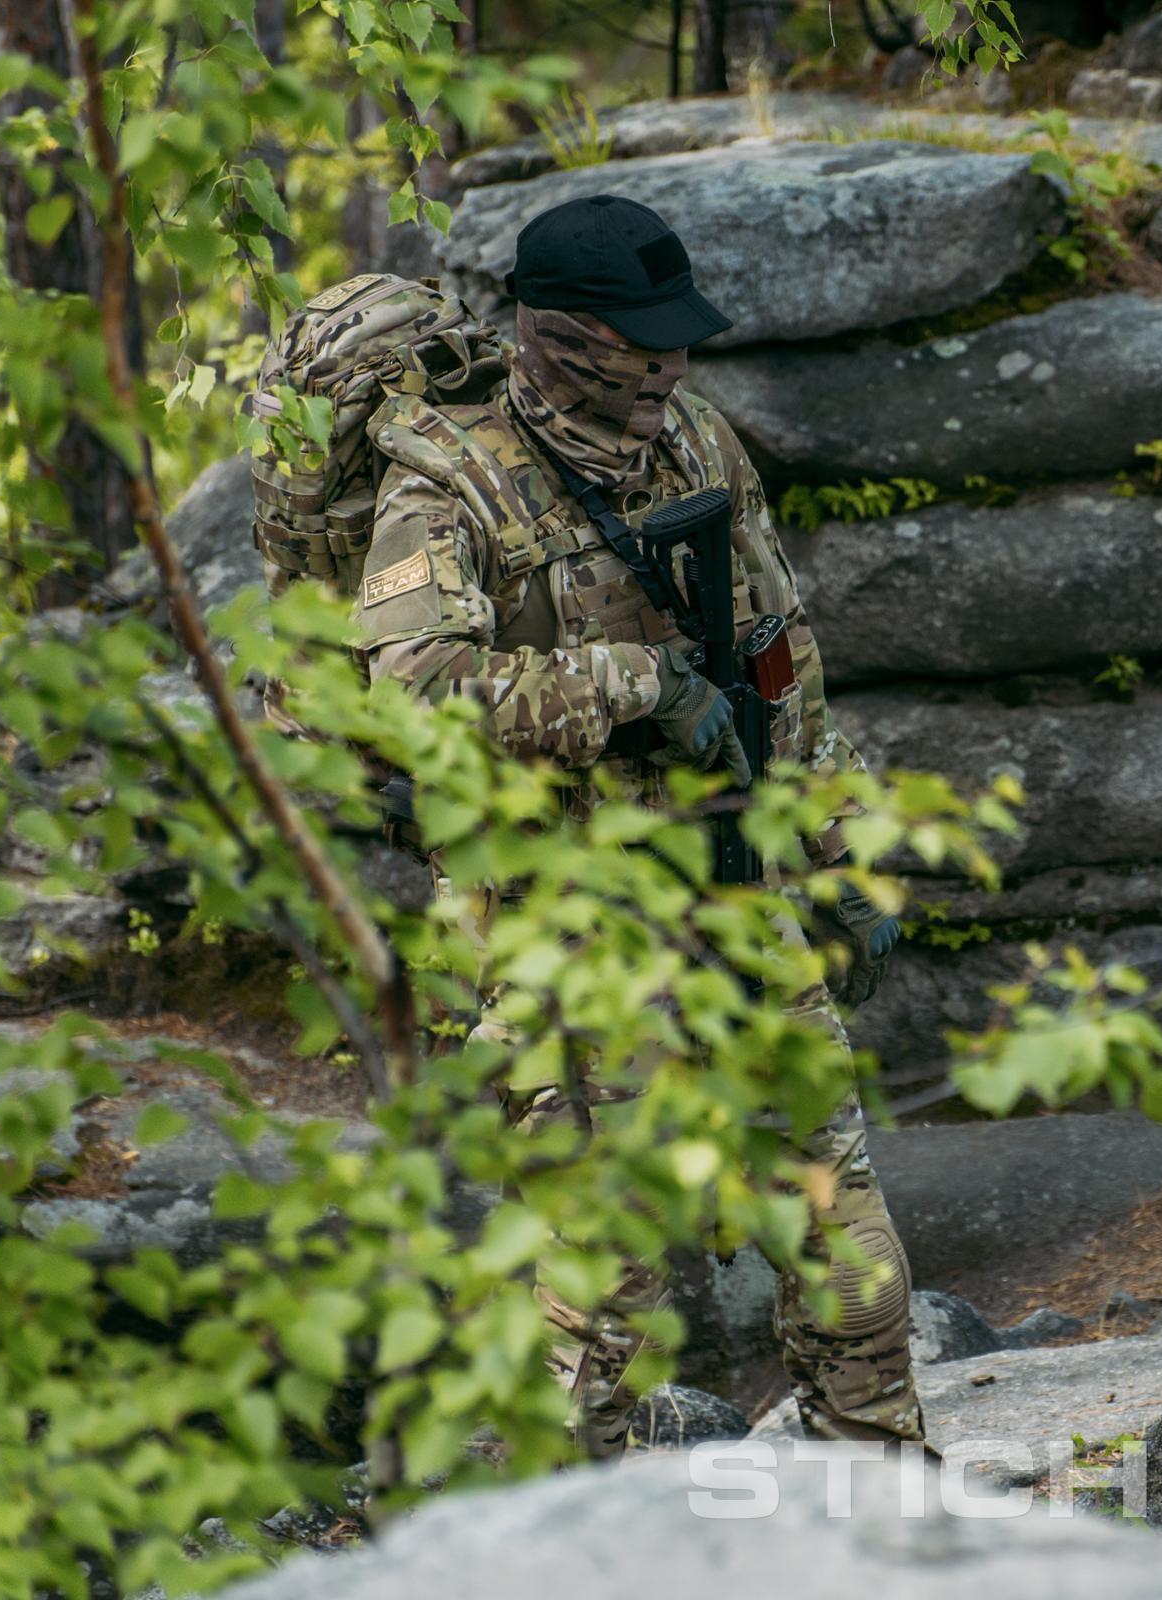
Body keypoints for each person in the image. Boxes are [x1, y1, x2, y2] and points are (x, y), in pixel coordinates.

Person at [350, 194, 918, 1456]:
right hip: (562, 932)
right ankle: (567, 1527)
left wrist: (845, 851)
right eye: (643, 343)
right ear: (554, 334)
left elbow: (782, 662)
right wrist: (637, 683)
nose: (673, 362)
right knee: (602, 1286)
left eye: (678, 339)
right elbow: (413, 699)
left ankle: (882, 1492)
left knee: (846, 1236)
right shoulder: (449, 479)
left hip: (734, 889)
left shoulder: (697, 441)